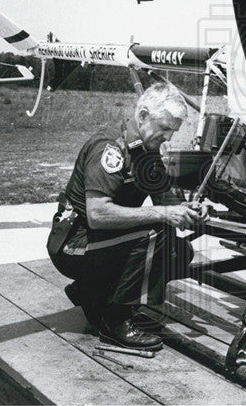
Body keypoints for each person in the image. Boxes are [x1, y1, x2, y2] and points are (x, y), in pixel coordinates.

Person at [47, 82, 207, 351]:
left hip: (100, 241)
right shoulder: (111, 148)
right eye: (165, 128)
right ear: (143, 115)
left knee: (180, 252)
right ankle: (115, 321)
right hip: (74, 245)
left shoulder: (148, 150)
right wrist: (163, 213)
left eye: (173, 131)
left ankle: (91, 292)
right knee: (157, 232)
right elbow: (97, 214)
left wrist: (189, 210)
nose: (168, 137)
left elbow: (166, 200)